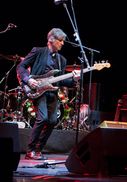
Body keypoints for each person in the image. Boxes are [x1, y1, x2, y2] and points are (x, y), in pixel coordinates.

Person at [16, 28, 80, 160]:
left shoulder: (62, 60)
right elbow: (21, 67)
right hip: (38, 91)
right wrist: (28, 80)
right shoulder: (38, 51)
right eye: (60, 41)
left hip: (53, 92)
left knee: (52, 121)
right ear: (51, 40)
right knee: (43, 118)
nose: (63, 43)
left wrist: (74, 79)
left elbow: (62, 80)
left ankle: (38, 149)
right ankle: (30, 150)